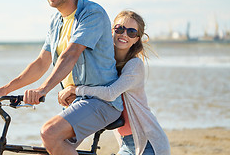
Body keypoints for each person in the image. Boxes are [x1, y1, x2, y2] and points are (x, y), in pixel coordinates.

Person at [0, 0, 123, 155]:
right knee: (53, 145)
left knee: (50, 133)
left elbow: (71, 54)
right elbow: (42, 62)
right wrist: (3, 90)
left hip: (102, 101)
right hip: (76, 100)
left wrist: (43, 89)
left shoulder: (91, 13)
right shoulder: (56, 21)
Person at [58, 10, 171, 155]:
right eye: (120, 29)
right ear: (112, 31)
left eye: (131, 32)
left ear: (136, 39)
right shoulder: (105, 63)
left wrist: (76, 90)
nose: (124, 34)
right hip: (126, 143)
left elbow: (110, 93)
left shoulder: (134, 64)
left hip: (148, 143)